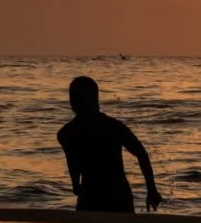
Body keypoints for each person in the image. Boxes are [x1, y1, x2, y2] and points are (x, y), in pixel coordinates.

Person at [57, 76, 162, 213]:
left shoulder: (66, 133)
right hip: (118, 196)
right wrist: (151, 189)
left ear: (72, 102)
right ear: (96, 100)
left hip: (90, 197)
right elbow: (141, 154)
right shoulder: (114, 127)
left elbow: (73, 164)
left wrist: (76, 185)